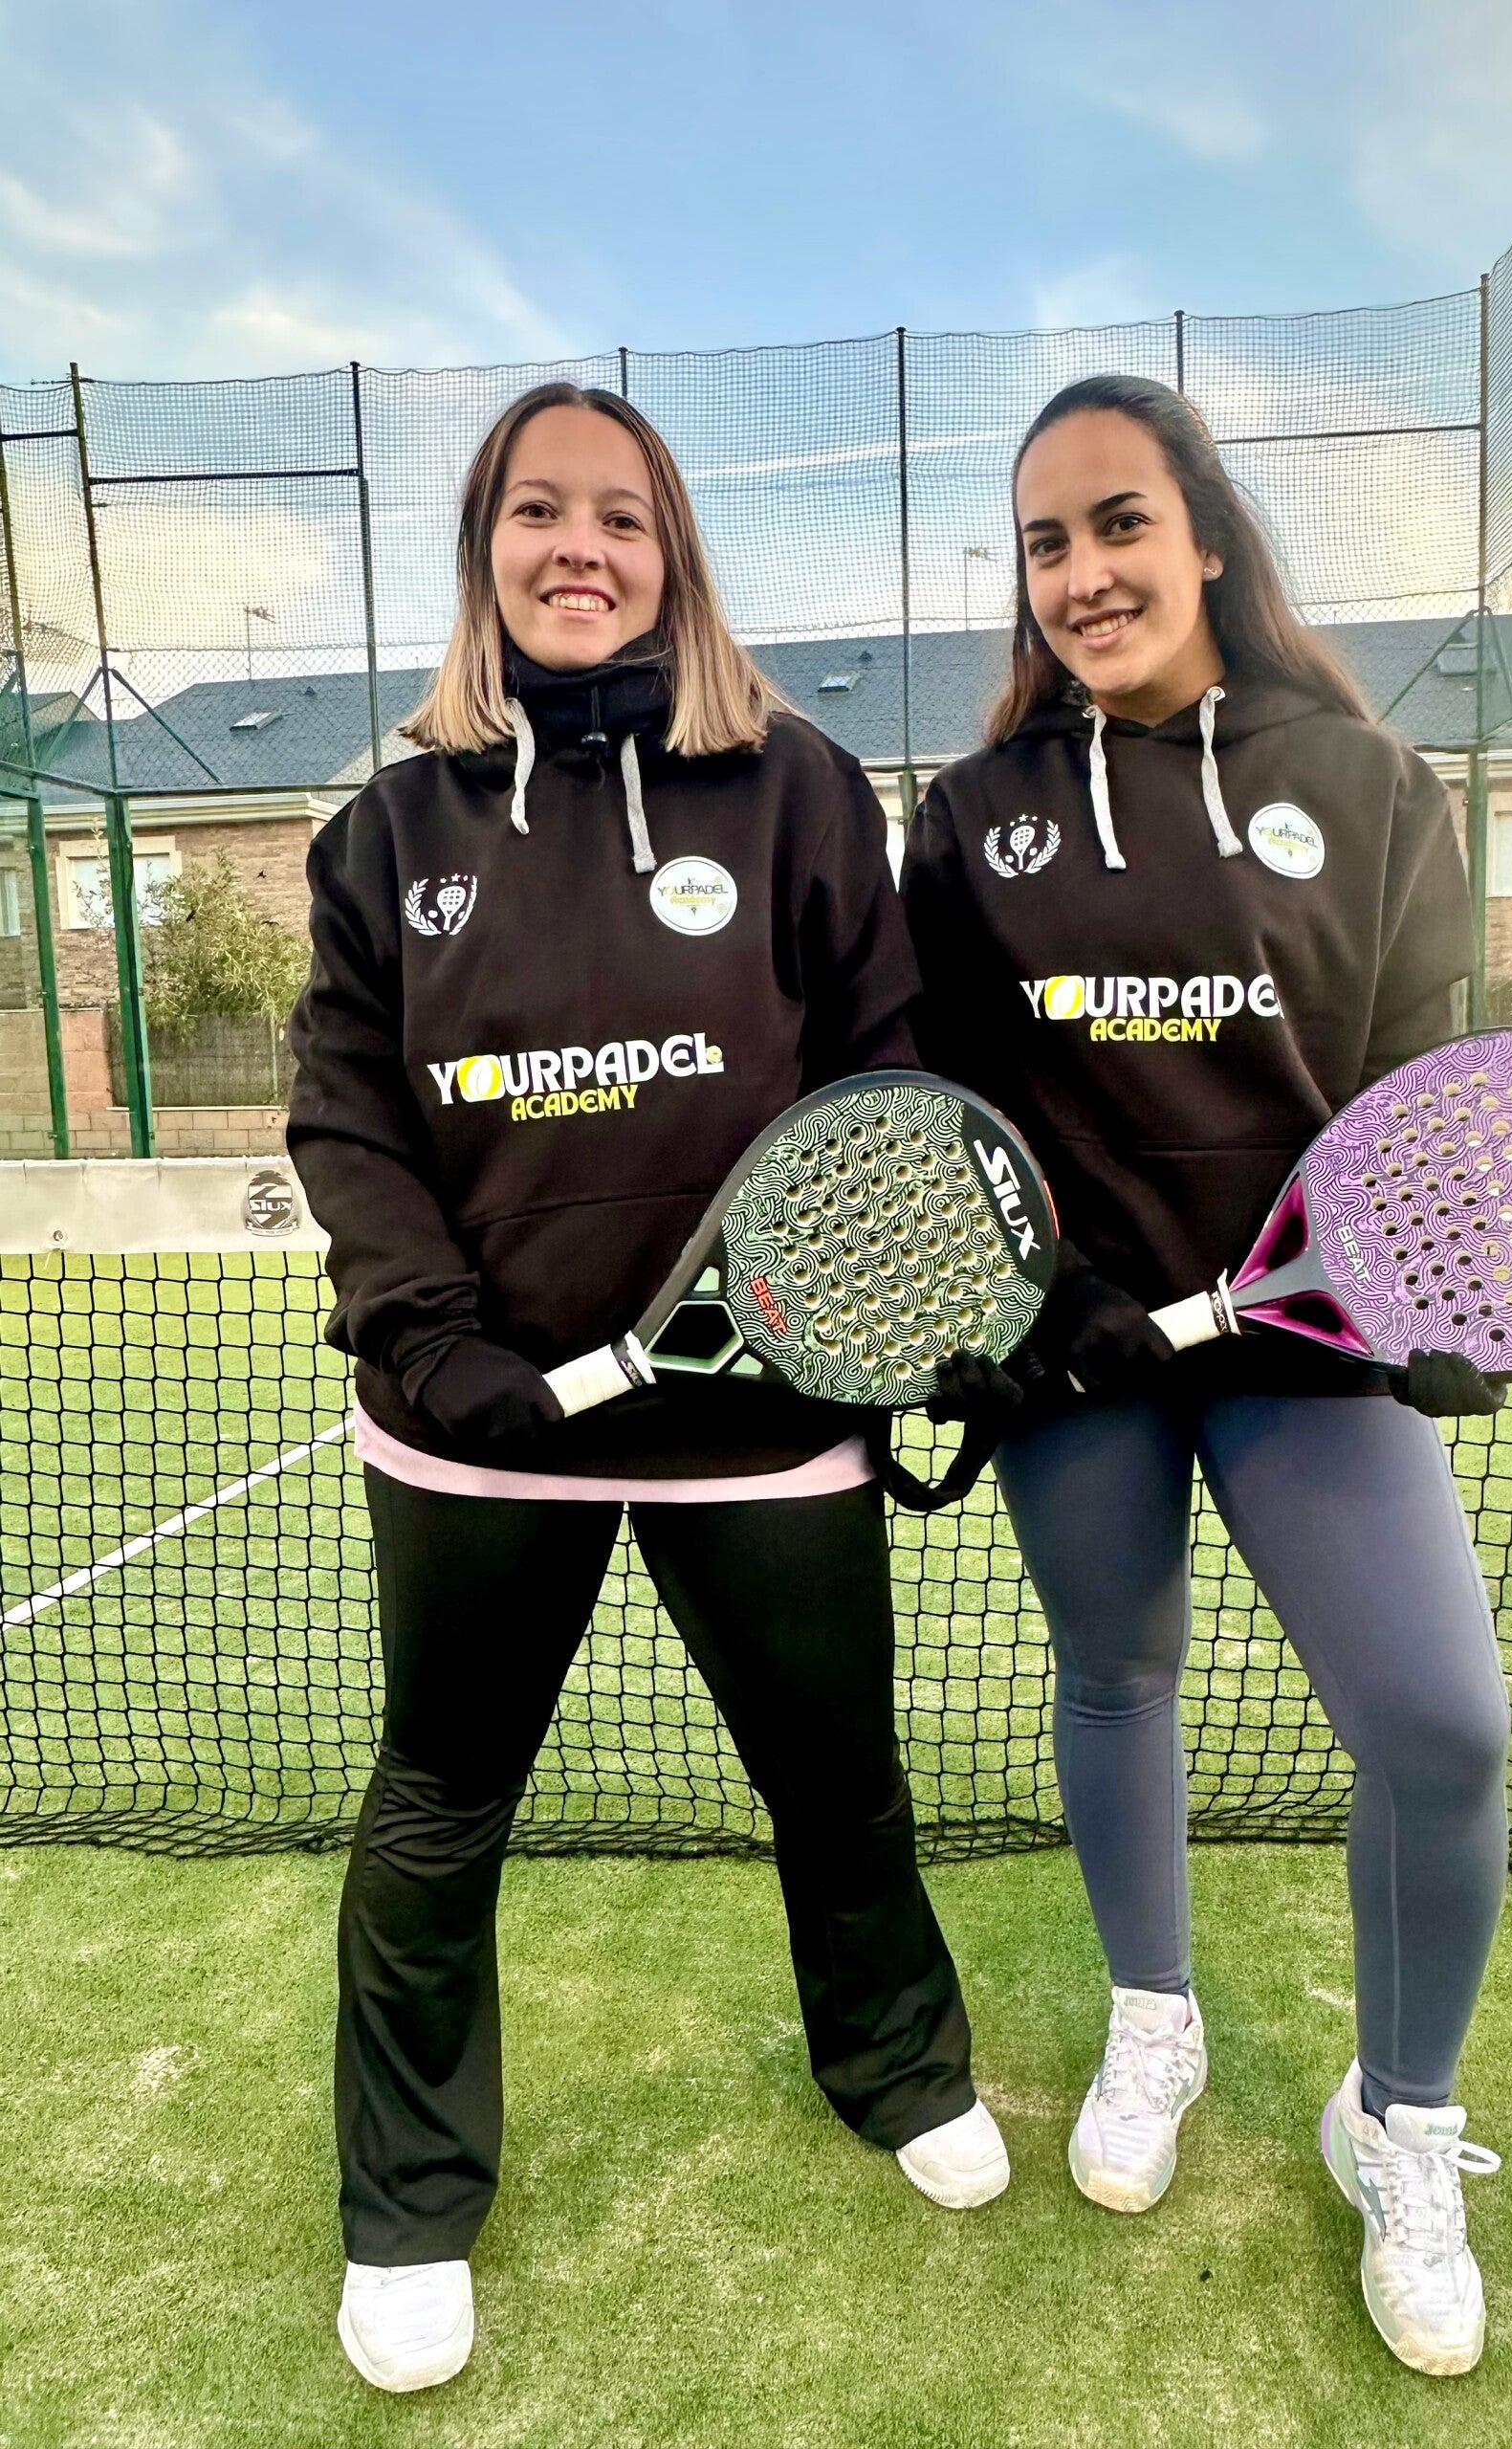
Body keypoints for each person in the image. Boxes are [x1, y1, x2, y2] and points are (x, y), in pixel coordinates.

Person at [289, 381, 1007, 2396]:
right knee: (441, 1802)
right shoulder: (384, 834)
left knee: (836, 1783)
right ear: (485, 551)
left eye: (620, 514)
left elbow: (885, 1075)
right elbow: (348, 1114)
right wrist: (434, 1338)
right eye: (539, 510)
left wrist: (889, 1309)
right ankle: (409, 2202)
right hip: (476, 1436)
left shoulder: (796, 789)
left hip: (760, 1427)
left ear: (672, 555)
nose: (578, 547)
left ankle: (899, 2067)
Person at [903, 374, 1510, 2378]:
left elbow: (1420, 1078)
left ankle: (1396, 2120)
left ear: (1209, 538)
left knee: (1441, 1730)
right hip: (1081, 1348)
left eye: (1120, 524)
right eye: (1047, 542)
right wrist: (1051, 1282)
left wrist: (1431, 1279)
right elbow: (953, 1093)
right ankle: (1151, 2014)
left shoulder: (1366, 778)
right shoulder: (971, 817)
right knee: (1117, 1673)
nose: (1084, 572)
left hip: (1304, 1346)